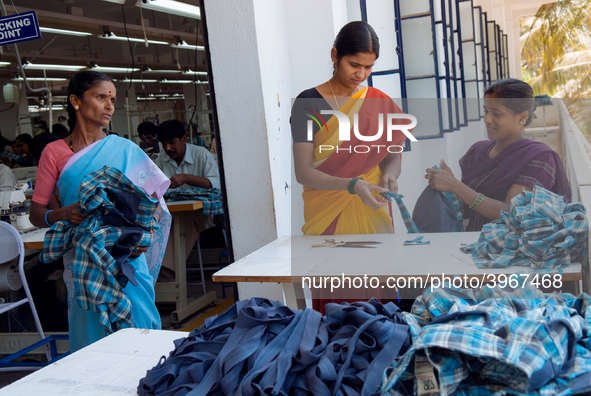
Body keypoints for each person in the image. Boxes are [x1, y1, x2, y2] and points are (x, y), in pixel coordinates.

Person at [29, 71, 171, 352]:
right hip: (83, 258)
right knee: (91, 330)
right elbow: (37, 213)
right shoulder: (54, 153)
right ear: (76, 101)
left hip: (126, 255)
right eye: (101, 97)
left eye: (112, 99)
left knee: (139, 324)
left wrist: (143, 237)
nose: (109, 106)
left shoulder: (125, 149)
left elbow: (155, 204)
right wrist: (64, 214)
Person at [291, 21, 411, 313]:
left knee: (379, 298)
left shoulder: (378, 102)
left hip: (373, 208)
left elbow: (393, 155)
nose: (361, 75)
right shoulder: (308, 103)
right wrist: (352, 185)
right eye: (354, 64)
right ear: (335, 55)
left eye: (368, 67)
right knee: (339, 302)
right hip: (328, 216)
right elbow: (303, 172)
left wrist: (390, 175)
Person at [426, 78, 571, 231]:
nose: (487, 119)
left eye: (496, 113)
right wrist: (447, 187)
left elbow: (510, 212)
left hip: (513, 250)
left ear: (522, 117)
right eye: (486, 111)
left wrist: (456, 186)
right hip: (474, 245)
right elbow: (468, 209)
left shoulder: (539, 158)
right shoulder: (477, 152)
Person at [154, 119, 221, 281]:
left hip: (201, 212)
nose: (168, 148)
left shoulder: (201, 154)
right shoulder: (161, 160)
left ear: (184, 139)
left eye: (172, 143)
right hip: (172, 212)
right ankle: (159, 270)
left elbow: (216, 184)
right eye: (164, 144)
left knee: (184, 220)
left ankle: (167, 272)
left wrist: (187, 178)